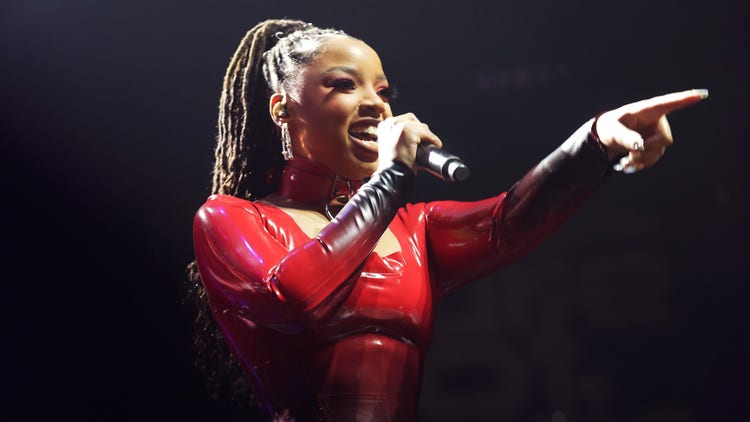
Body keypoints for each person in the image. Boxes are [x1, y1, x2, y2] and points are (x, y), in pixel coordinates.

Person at [186, 18, 707, 421]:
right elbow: (294, 298)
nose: (375, 106)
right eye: (344, 85)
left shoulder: (412, 229)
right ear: (282, 109)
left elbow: (507, 222)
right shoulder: (230, 218)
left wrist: (595, 140)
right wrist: (390, 178)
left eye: (383, 92)